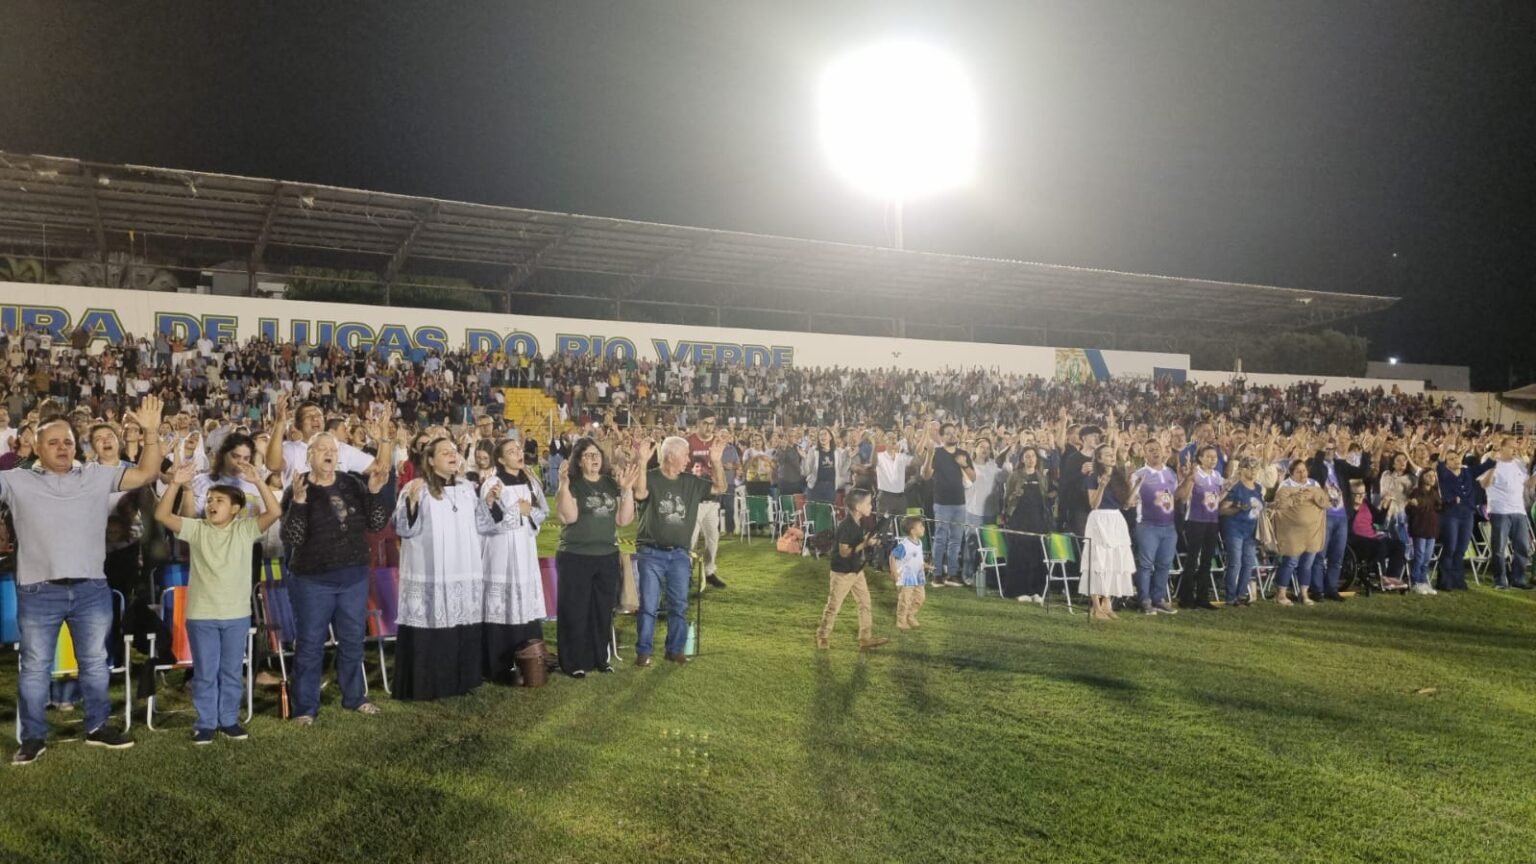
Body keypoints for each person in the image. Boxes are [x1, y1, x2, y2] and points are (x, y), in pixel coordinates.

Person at [6, 396, 165, 766]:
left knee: (94, 662)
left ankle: (97, 726)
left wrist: (151, 433)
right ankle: (33, 738)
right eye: (53, 442)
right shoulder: (15, 480)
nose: (62, 447)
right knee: (35, 668)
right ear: (37, 448)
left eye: (67, 441)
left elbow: (146, 473)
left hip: (91, 588)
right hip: (39, 591)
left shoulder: (96, 476)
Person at [154, 458, 282, 743]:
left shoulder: (245, 529)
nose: (212, 504)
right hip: (202, 615)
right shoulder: (196, 529)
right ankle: (206, 723)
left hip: (236, 615)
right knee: (205, 672)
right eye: (210, 499)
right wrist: (175, 484)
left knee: (232, 671)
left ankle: (229, 720)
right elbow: (162, 515)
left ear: (235, 508)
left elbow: (275, 511)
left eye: (219, 500)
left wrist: (258, 481)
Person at [279, 431, 394, 724]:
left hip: (353, 575)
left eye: (333, 449)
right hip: (312, 579)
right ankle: (305, 708)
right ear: (309, 456)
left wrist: (374, 492)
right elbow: (292, 537)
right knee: (310, 643)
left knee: (353, 639)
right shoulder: (297, 488)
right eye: (322, 449)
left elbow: (376, 523)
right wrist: (300, 503)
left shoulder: (351, 483)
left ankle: (354, 697)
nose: (329, 453)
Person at [394, 437, 512, 700]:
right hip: (431, 573)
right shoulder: (417, 488)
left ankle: (462, 681)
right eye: (445, 452)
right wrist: (411, 505)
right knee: (433, 623)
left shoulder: (467, 489)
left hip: (463, 569)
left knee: (462, 623)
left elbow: (486, 525)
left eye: (454, 451)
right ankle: (429, 684)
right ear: (430, 460)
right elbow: (403, 529)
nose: (452, 455)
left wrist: (489, 502)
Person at [632, 435, 726, 666]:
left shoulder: (691, 482)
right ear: (671, 456)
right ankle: (643, 652)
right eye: (685, 455)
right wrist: (642, 462)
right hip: (651, 553)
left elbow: (721, 487)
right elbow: (639, 493)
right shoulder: (651, 477)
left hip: (679, 555)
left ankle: (674, 650)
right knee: (649, 606)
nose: (688, 460)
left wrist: (716, 461)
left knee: (679, 605)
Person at [553, 437, 640, 677]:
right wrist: (563, 485)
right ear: (579, 461)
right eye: (588, 455)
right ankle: (573, 662)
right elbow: (569, 517)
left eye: (597, 454)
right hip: (576, 556)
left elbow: (624, 520)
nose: (594, 459)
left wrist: (627, 490)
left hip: (606, 556)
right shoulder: (574, 484)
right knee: (575, 610)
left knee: (602, 609)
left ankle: (600, 658)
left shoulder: (610, 483)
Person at [479, 437, 550, 683]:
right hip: (500, 550)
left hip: (525, 548)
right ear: (500, 459)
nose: (518, 453)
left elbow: (542, 512)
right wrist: (516, 512)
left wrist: (529, 514)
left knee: (524, 602)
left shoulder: (530, 481)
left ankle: (529, 656)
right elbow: (486, 521)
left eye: (519, 449)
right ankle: (498, 663)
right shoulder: (493, 484)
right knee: (501, 601)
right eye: (511, 451)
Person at [814, 489, 889, 649]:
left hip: (856, 570)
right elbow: (844, 552)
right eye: (868, 504)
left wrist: (870, 542)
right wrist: (865, 544)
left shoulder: (860, 522)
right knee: (834, 606)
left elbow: (860, 542)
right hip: (842, 573)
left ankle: (865, 638)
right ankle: (823, 636)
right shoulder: (846, 526)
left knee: (865, 603)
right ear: (857, 507)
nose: (871, 506)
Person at [1306, 437, 1373, 602]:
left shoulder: (1340, 465)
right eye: (1326, 449)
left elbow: (1361, 473)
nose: (1329, 452)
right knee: (1320, 554)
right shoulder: (1315, 464)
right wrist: (1319, 452)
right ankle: (1317, 590)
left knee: (1337, 556)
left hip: (1341, 516)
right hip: (1325, 515)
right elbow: (1314, 475)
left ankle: (1331, 588)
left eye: (1331, 449)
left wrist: (1366, 454)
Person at [1082, 443, 1136, 620]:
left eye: (1112, 454)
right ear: (1098, 458)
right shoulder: (1093, 477)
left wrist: (1132, 487)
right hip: (1099, 519)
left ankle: (1107, 603)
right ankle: (1096, 606)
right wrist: (1101, 486)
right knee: (1098, 562)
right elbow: (1093, 504)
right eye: (1106, 454)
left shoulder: (1119, 477)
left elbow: (1125, 504)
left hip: (1116, 519)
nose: (1111, 457)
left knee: (1113, 562)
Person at [920, 423, 974, 588]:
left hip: (960, 503)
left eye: (954, 432)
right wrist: (929, 455)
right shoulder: (936, 453)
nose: (952, 435)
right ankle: (937, 574)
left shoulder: (963, 454)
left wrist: (964, 464)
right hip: (942, 502)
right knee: (941, 539)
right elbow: (926, 476)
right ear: (941, 436)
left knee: (956, 540)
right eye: (948, 433)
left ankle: (952, 573)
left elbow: (973, 477)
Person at [1479, 436, 1536, 590]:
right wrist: (1492, 468)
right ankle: (1500, 580)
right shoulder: (1491, 463)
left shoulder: (1519, 464)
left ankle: (1518, 578)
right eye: (1511, 447)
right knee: (1499, 548)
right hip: (1500, 511)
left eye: (1516, 447)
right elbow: (1484, 484)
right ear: (1502, 448)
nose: (1515, 450)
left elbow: (1528, 484)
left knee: (1523, 547)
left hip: (1519, 511)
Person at [1131, 440, 1180, 615]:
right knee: (1145, 565)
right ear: (1144, 454)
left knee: (1164, 564)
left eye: (1157, 449)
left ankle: (1158, 598)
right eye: (1150, 450)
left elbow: (1177, 496)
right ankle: (1144, 599)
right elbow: (1131, 499)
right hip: (1147, 525)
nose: (1155, 452)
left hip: (1169, 525)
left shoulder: (1170, 473)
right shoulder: (1139, 474)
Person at [1272, 459, 1329, 606]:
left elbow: (1324, 502)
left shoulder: (1314, 484)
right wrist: (1297, 498)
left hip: (1312, 532)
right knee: (1290, 562)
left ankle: (1304, 594)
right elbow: (1279, 505)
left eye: (1304, 471)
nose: (1302, 474)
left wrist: (1313, 496)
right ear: (1291, 473)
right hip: (1292, 533)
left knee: (1307, 563)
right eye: (1298, 471)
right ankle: (1281, 594)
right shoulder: (1285, 486)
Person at [1001, 446, 1053, 603]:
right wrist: (1015, 495)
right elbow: (1006, 499)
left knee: (1036, 556)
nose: (1031, 459)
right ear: (1022, 459)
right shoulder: (1015, 476)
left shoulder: (1041, 476)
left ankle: (1035, 590)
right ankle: (1018, 590)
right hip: (1019, 520)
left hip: (1037, 521)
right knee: (1020, 555)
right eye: (1027, 456)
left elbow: (1045, 497)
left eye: (1033, 456)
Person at [1435, 448, 1490, 591]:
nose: (1456, 460)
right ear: (1447, 463)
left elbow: (1484, 466)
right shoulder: (1444, 474)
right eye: (1451, 459)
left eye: (1457, 457)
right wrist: (1445, 446)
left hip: (1467, 515)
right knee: (1450, 548)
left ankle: (1458, 580)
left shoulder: (1467, 472)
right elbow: (1439, 464)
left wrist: (1496, 454)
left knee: (1461, 548)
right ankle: (1445, 581)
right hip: (1451, 514)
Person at [1175, 445, 1222, 610]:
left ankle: (1202, 597)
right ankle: (1186, 597)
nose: (1212, 459)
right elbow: (1185, 496)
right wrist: (1189, 478)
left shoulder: (1216, 475)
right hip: (1195, 520)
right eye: (1208, 456)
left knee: (1207, 559)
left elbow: (1218, 496)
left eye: (1214, 456)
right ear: (1201, 458)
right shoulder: (1196, 474)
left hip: (1212, 520)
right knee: (1192, 558)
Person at [686, 410, 727, 589]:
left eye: (712, 423)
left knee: (713, 538)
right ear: (698, 423)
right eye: (705, 423)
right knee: (690, 539)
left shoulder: (716, 442)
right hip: (693, 498)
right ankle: (686, 572)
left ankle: (709, 571)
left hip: (712, 498)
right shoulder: (688, 442)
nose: (709, 427)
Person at [1218, 457, 1264, 605]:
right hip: (1234, 528)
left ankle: (1242, 594)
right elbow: (1222, 510)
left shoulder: (1258, 488)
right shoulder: (1236, 487)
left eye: (1256, 468)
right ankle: (1231, 596)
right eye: (1250, 468)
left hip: (1251, 530)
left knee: (1248, 562)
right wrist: (1237, 508)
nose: (1253, 471)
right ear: (1242, 469)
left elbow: (1261, 507)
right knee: (1235, 562)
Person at [1405, 469, 1442, 594]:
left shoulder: (1435, 493)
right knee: (1419, 556)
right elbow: (1409, 510)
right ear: (1422, 477)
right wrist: (1414, 505)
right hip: (1420, 528)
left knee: (1426, 558)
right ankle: (1416, 582)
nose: (1432, 478)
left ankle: (1424, 581)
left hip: (1431, 529)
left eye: (1433, 476)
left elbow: (1438, 507)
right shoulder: (1416, 492)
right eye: (1428, 475)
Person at [890, 514, 927, 630]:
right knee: (905, 599)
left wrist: (925, 565)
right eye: (920, 526)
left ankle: (910, 615)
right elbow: (892, 556)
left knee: (920, 597)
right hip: (906, 577)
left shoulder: (919, 542)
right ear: (912, 531)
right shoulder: (904, 545)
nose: (923, 528)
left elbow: (917, 557)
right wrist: (894, 571)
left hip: (918, 576)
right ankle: (901, 620)